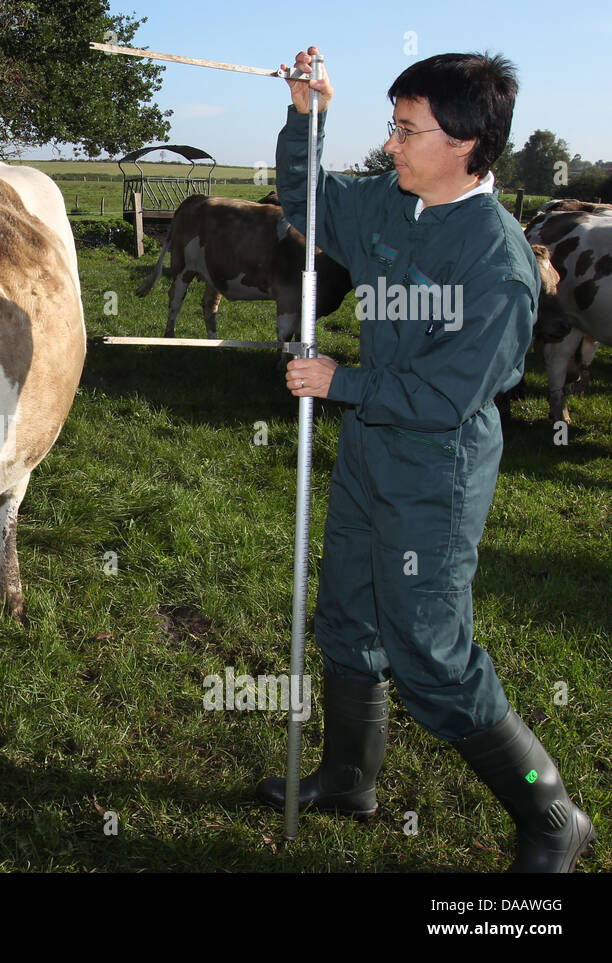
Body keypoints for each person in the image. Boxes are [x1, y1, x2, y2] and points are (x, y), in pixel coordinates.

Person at [255, 47, 595, 872]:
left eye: (408, 131)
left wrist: (342, 380)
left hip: (435, 472)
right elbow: (306, 200)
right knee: (347, 613)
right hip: (372, 452)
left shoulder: (497, 260)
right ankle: (348, 776)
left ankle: (550, 811)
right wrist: (308, 115)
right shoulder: (387, 205)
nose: (393, 144)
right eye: (393, 125)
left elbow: (450, 396)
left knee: (433, 655)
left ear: (468, 143)